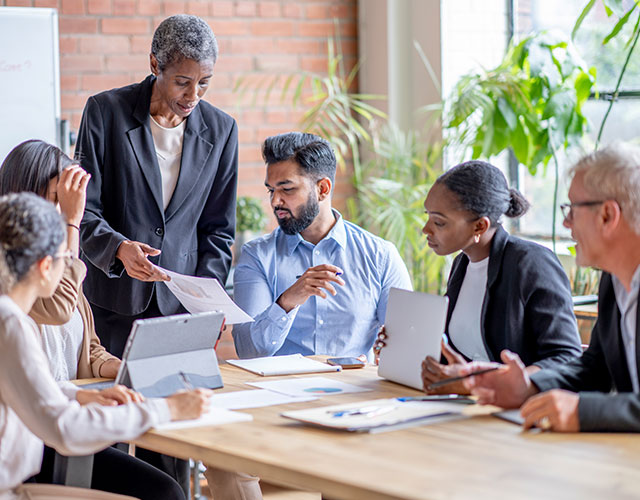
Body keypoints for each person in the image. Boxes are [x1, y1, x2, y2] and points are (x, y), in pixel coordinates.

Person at [75, 14, 237, 493]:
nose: (193, 96)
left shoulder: (221, 129)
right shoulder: (104, 112)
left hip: (178, 316)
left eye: (204, 84)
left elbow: (219, 231)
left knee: (169, 452)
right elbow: (84, 211)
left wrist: (206, 300)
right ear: (155, 66)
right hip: (113, 307)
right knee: (108, 441)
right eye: (184, 82)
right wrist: (119, 248)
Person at [0, 140, 187, 500]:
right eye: (60, 196)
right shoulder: (17, 287)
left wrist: (119, 369)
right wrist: (70, 223)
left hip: (57, 415)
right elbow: (58, 307)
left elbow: (87, 342)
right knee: (163, 492)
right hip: (36, 440)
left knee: (162, 485)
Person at [462, 143, 640, 432]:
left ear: (607, 215)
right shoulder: (614, 279)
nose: (566, 222)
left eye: (572, 209)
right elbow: (595, 367)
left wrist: (585, 412)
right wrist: (530, 386)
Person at [376, 160, 582, 394]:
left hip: (522, 413)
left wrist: (478, 381)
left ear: (479, 227)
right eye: (428, 217)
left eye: (439, 222)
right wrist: (401, 348)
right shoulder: (462, 264)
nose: (426, 229)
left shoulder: (532, 263)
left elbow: (566, 358)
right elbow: (461, 357)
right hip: (474, 406)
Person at [232, 132, 412, 360]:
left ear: (323, 189)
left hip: (354, 392)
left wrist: (384, 355)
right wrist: (287, 301)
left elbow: (407, 343)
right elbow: (248, 351)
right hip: (283, 393)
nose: (275, 202)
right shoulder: (257, 256)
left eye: (287, 189)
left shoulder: (380, 256)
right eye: (271, 190)